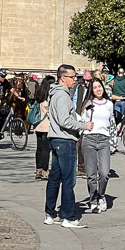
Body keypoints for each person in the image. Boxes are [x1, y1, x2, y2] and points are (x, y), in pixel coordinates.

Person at [44, 64, 86, 228]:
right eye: (72, 77)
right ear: (63, 78)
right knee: (68, 180)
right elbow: (64, 120)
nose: (75, 80)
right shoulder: (62, 96)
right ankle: (68, 216)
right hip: (65, 140)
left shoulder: (55, 94)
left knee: (55, 177)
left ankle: (50, 213)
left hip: (56, 139)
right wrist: (83, 125)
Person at [81, 76, 115, 212]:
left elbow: (111, 123)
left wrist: (113, 142)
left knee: (104, 172)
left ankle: (101, 195)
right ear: (91, 90)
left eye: (99, 86)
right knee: (91, 174)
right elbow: (82, 122)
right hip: (89, 139)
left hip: (103, 140)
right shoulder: (88, 104)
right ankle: (93, 198)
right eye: (95, 88)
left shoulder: (109, 104)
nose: (98, 89)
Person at [30, 75, 54, 179]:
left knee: (39, 149)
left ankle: (38, 170)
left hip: (38, 125)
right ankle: (45, 171)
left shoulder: (39, 96)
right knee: (46, 149)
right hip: (47, 126)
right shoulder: (50, 97)